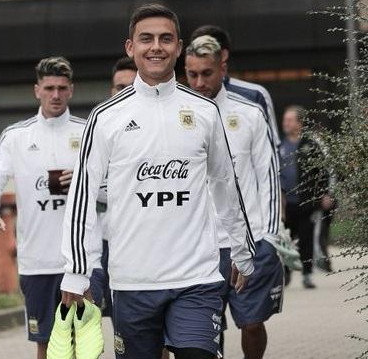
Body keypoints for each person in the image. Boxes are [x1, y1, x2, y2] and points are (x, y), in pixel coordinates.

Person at [59, 4, 255, 359]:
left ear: (179, 47)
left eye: (166, 39)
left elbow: (226, 183)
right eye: (146, 39)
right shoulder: (105, 117)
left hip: (197, 278)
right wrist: (76, 271)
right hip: (133, 282)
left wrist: (242, 249)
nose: (156, 47)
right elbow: (81, 197)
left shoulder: (205, 112)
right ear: (130, 47)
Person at [0, 56, 91, 359]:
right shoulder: (16, 136)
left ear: (71, 90)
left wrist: (80, 183)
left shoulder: (88, 132)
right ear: (36, 90)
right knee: (47, 342)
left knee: (84, 343)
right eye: (49, 87)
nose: (56, 95)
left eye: (62, 88)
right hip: (37, 261)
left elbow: (113, 184)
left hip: (81, 260)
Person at [185, 35, 283, 359]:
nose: (199, 82)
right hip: (200, 248)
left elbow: (269, 177)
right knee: (204, 332)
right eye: (192, 74)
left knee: (252, 324)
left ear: (222, 67)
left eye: (207, 74)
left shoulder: (251, 113)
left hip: (248, 242)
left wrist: (267, 236)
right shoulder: (176, 118)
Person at [89, 56, 138, 320]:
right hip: (103, 241)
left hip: (141, 238)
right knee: (98, 319)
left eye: (132, 86)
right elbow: (87, 184)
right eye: (120, 87)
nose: (126, 93)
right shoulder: (98, 126)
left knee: (146, 324)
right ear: (111, 91)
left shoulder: (154, 127)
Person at [190, 25, 280, 149]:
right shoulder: (181, 102)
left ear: (223, 55)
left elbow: (270, 157)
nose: (199, 55)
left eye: (206, 48)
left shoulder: (255, 96)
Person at [279, 105, 334, 289]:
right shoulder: (279, 146)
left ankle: (307, 274)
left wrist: (325, 193)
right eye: (285, 120)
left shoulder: (310, 144)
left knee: (306, 239)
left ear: (299, 123)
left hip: (306, 202)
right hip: (285, 204)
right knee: (284, 241)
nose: (285, 123)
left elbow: (323, 171)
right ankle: (284, 275)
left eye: (289, 120)